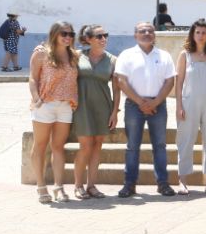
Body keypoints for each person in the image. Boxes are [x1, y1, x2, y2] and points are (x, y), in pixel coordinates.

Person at [114, 22, 176, 198]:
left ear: (155, 35)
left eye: (150, 31)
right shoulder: (126, 55)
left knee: (160, 146)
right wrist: (141, 102)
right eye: (142, 31)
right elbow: (121, 82)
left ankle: (163, 183)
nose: (147, 33)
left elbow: (170, 81)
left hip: (158, 106)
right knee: (132, 146)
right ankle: (130, 184)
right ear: (135, 35)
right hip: (134, 106)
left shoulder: (164, 56)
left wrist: (155, 102)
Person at [28, 21, 79, 203]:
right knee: (40, 145)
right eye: (64, 33)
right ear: (55, 34)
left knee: (58, 147)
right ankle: (41, 186)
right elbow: (33, 78)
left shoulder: (73, 55)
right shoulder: (41, 53)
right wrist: (36, 99)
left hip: (65, 106)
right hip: (46, 105)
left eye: (71, 34)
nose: (68, 37)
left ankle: (58, 186)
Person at [174, 19, 206, 194]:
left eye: (204, 32)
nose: (200, 36)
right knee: (185, 140)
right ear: (192, 35)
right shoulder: (184, 55)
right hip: (189, 103)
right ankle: (183, 181)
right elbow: (178, 82)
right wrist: (179, 105)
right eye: (197, 32)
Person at [73, 24, 118, 200]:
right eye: (99, 36)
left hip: (103, 106)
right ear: (88, 39)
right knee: (85, 146)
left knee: (97, 146)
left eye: (105, 35)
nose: (103, 39)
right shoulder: (77, 56)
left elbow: (116, 89)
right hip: (82, 107)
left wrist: (115, 112)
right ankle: (78, 185)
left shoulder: (113, 60)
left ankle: (92, 185)